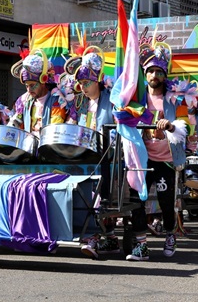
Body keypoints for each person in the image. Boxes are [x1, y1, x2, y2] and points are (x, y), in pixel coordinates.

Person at [125, 41, 188, 261]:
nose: (154, 75)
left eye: (158, 71)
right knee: (136, 201)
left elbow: (185, 126)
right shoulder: (136, 98)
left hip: (166, 160)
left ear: (164, 75)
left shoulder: (175, 98)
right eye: (150, 71)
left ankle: (170, 233)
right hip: (141, 158)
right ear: (145, 73)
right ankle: (141, 245)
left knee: (166, 200)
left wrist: (170, 126)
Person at [63, 46, 119, 260]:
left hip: (107, 157)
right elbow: (72, 125)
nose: (83, 87)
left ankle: (93, 236)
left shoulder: (112, 99)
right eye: (81, 84)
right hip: (84, 155)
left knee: (97, 196)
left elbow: (117, 127)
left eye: (87, 83)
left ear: (98, 80)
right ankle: (102, 235)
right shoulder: (79, 102)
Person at [8, 49, 69, 134]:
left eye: (32, 85)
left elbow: (55, 129)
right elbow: (15, 126)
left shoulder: (57, 100)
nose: (29, 89)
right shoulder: (24, 101)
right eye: (26, 86)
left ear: (43, 80)